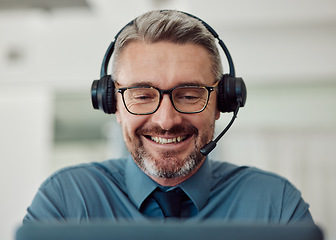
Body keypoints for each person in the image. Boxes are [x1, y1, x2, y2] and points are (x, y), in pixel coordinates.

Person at [23, 10, 313, 223]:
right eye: (142, 95)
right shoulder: (66, 200)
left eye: (189, 95)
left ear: (221, 102)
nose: (166, 120)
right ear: (113, 104)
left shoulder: (276, 205)